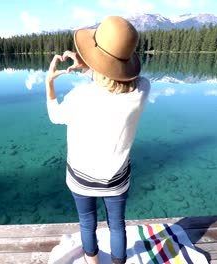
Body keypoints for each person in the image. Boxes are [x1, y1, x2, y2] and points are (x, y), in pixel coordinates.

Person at [45, 16, 151, 264]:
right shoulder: (142, 91)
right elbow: (128, 81)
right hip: (116, 180)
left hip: (81, 177)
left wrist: (49, 83)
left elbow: (55, 116)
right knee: (117, 225)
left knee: (87, 222)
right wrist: (92, 67)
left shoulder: (80, 96)